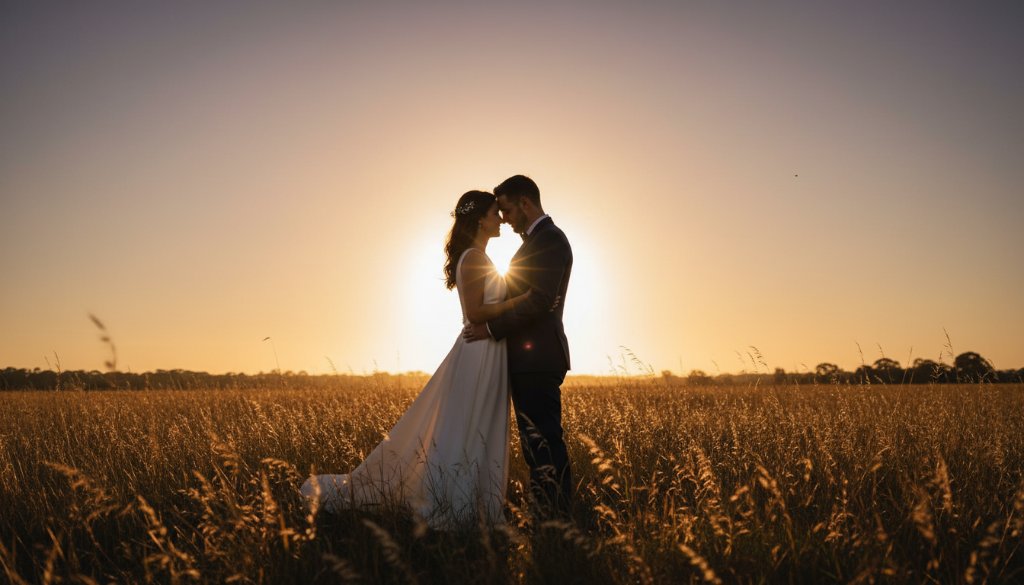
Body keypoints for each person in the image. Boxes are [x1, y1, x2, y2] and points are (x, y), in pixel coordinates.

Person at [300, 190, 529, 529]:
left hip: (490, 352)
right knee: (467, 426)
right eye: (496, 213)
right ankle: (454, 502)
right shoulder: (473, 258)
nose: (500, 219)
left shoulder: (480, 256)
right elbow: (474, 313)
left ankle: (474, 502)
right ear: (480, 218)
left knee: (478, 424)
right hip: (478, 352)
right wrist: (520, 300)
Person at [463, 174, 574, 518]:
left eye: (508, 209)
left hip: (539, 358)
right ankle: (550, 513)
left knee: (544, 442)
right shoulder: (535, 242)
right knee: (535, 443)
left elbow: (539, 300)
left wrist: (491, 328)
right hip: (529, 359)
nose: (506, 218)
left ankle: (555, 517)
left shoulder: (550, 240)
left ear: (525, 203)